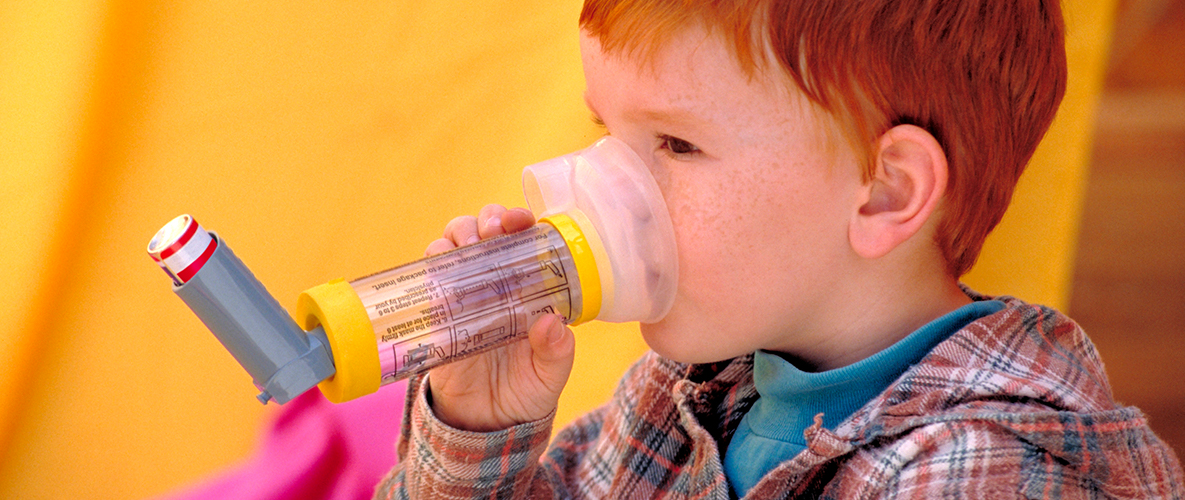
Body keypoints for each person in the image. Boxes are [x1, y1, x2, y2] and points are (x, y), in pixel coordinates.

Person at [376, 0, 1185, 498]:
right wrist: (475, 433)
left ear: (884, 192)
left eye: (674, 144)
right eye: (604, 133)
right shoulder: (674, 406)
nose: (602, 191)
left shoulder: (984, 472)